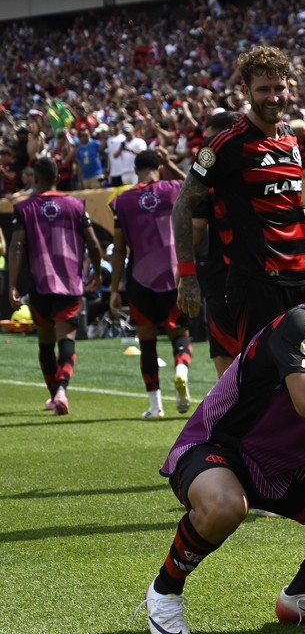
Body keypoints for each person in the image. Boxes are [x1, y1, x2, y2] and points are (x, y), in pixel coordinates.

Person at [138, 237, 305, 634]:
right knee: (227, 507)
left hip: (291, 462)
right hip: (224, 449)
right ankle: (165, 591)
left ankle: (301, 595)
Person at [171, 45, 305, 349]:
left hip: (303, 278)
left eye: (279, 88)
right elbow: (183, 206)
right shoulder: (225, 144)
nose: (273, 97)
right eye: (263, 90)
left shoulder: (291, 139)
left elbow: (297, 209)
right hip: (259, 284)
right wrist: (188, 275)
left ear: (289, 87)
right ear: (245, 90)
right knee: (263, 383)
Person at [6, 157, 102, 415]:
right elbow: (93, 244)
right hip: (69, 282)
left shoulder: (25, 208)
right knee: (66, 338)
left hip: (40, 284)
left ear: (35, 179)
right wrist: (97, 271)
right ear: (58, 178)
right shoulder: (76, 206)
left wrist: (12, 284)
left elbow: (16, 246)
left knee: (45, 342)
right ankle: (61, 390)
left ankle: (53, 394)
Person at [109, 148, 193, 419]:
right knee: (179, 335)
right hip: (173, 276)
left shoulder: (121, 201)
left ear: (135, 170)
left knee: (146, 342)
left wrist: (114, 288)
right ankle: (181, 370)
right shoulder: (172, 187)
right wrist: (171, 164)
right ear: (160, 166)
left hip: (140, 278)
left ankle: (155, 405)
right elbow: (197, 186)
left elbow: (119, 249)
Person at [190, 110, 243, 378]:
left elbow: (194, 228)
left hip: (225, 275)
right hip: (268, 272)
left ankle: (233, 412)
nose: (206, 146)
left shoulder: (211, 180)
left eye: (211, 139)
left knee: (226, 353)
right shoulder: (265, 164)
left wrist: (185, 272)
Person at [74, 125, 105, 189]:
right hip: (85, 178)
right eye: (83, 135)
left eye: (86, 135)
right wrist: (80, 181)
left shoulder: (95, 143)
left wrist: (104, 137)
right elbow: (79, 165)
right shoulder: (79, 149)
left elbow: (102, 150)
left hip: (96, 175)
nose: (85, 137)